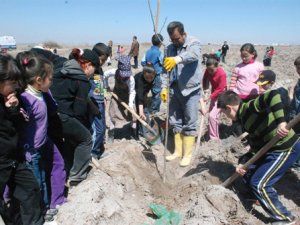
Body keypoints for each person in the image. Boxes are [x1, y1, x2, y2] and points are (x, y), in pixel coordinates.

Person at [217, 90, 300, 225]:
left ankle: (285, 218)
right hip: (270, 150)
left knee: (259, 184)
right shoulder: (244, 121)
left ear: (229, 108)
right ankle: (256, 198)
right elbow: (255, 149)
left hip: (285, 147)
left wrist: (281, 122)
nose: (226, 117)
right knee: (248, 173)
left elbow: (273, 95)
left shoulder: (250, 107)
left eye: (225, 113)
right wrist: (242, 163)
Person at [16, 52, 66, 221]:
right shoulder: (26, 99)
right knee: (37, 183)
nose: (51, 82)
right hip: (31, 151)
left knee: (43, 179)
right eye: (50, 79)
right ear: (39, 80)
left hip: (42, 144)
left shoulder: (40, 94)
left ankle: (45, 208)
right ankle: (40, 213)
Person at [0, 55, 44, 225]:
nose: (16, 86)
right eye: (11, 83)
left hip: (15, 158)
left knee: (30, 190)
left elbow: (17, 125)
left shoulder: (12, 96)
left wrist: (13, 109)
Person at [50, 48, 100, 186]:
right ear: (88, 65)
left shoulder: (62, 69)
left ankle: (66, 171)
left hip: (49, 113)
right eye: (94, 69)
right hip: (63, 115)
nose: (93, 74)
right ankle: (76, 176)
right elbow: (79, 111)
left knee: (68, 141)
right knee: (86, 139)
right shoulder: (82, 80)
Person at [162, 21, 202, 167]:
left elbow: (194, 55)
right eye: (172, 39)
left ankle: (187, 154)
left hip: (191, 90)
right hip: (175, 89)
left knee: (190, 121)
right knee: (175, 120)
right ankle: (177, 152)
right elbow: (165, 70)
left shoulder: (194, 42)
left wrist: (178, 59)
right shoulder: (169, 48)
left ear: (184, 34)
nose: (175, 42)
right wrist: (164, 87)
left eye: (177, 38)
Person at [107, 55, 136, 142]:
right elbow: (105, 75)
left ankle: (133, 133)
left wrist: (130, 104)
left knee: (132, 115)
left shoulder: (131, 79)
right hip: (116, 95)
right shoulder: (113, 72)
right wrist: (106, 86)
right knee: (112, 113)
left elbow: (132, 92)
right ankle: (111, 134)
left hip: (127, 97)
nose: (124, 77)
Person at [89, 43, 110, 159]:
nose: (102, 62)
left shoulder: (99, 70)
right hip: (93, 104)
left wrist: (104, 97)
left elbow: (100, 86)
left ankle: (99, 150)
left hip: (100, 102)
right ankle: (93, 153)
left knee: (102, 128)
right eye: (102, 60)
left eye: (105, 60)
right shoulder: (90, 69)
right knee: (98, 129)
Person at [202, 57, 227, 140]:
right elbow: (205, 79)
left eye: (212, 70)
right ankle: (210, 134)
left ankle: (214, 138)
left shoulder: (222, 74)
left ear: (217, 66)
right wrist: (205, 88)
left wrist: (210, 97)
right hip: (214, 93)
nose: (210, 72)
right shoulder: (208, 70)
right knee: (211, 115)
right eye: (208, 70)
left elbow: (221, 88)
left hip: (222, 96)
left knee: (213, 116)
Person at [141, 34, 164, 113]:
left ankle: (144, 108)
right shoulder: (159, 53)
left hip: (146, 76)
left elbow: (142, 62)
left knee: (145, 92)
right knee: (156, 93)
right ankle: (154, 111)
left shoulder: (147, 52)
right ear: (160, 43)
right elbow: (163, 63)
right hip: (156, 76)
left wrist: (148, 66)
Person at [289, 56, 300, 172]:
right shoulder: (299, 81)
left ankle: (296, 163)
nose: (298, 71)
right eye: (297, 68)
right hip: (295, 115)